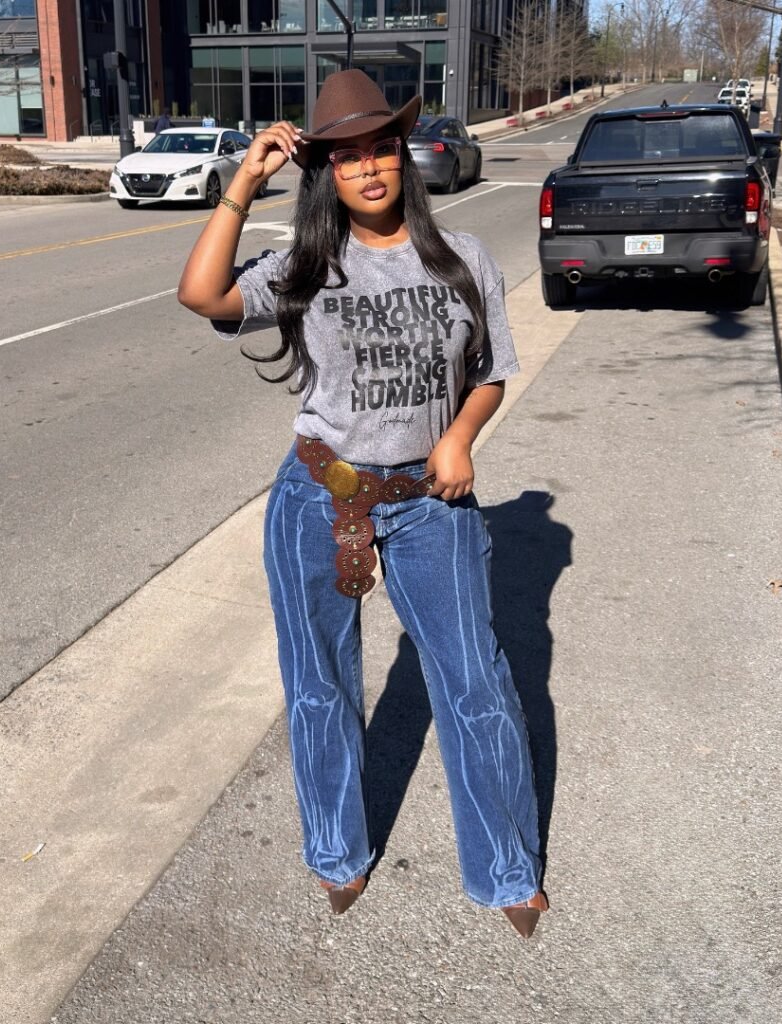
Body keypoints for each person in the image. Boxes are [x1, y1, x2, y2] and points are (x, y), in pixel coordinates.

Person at [177, 70, 547, 938]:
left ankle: (505, 868)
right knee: (320, 684)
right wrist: (242, 179)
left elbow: (490, 372)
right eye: (346, 158)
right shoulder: (306, 264)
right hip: (319, 494)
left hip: (430, 498)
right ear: (327, 175)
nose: (370, 169)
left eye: (381, 149)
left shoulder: (463, 261)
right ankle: (338, 852)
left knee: (477, 680)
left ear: (402, 157)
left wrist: (458, 438)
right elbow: (203, 295)